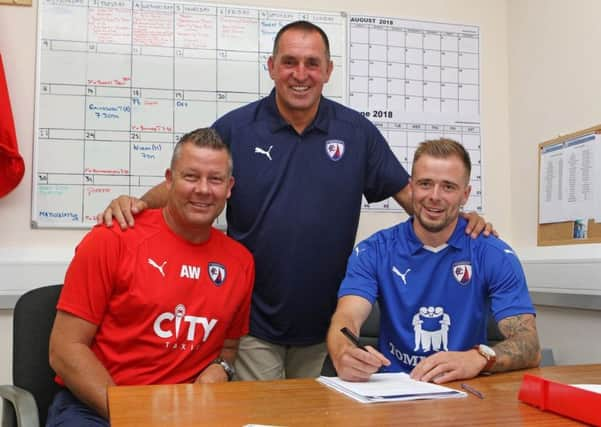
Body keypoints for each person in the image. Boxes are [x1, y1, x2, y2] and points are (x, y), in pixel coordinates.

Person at [99, 21, 494, 381]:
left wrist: (463, 218)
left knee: (310, 419)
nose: (300, 74)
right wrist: (136, 203)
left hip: (325, 327)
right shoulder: (237, 127)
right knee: (262, 420)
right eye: (289, 62)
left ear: (328, 70)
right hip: (252, 323)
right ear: (271, 66)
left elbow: (416, 197)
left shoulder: (356, 132)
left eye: (311, 63)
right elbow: (191, 181)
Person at [47, 128, 255, 426]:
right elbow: (65, 350)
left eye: (215, 179)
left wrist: (222, 367)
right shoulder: (113, 239)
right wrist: (131, 416)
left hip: (186, 412)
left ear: (229, 187)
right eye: (191, 177)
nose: (203, 189)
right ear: (169, 180)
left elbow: (229, 349)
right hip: (97, 407)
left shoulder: (240, 262)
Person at [327, 138, 541, 384]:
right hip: (391, 390)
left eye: (448, 187)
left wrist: (478, 357)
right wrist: (343, 353)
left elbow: (529, 344)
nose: (434, 196)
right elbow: (346, 318)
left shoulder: (493, 254)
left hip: (465, 389)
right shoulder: (373, 251)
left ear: (465, 194)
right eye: (425, 184)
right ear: (412, 187)